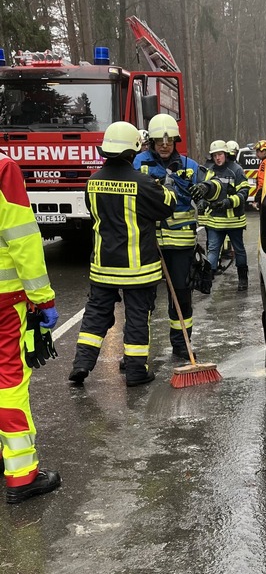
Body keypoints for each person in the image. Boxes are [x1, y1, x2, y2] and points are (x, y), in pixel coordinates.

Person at [68, 121, 177, 387]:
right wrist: (166, 186)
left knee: (95, 315)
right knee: (138, 316)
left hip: (103, 266)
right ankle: (136, 371)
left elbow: (97, 215)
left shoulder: (92, 182)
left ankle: (81, 364)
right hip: (138, 267)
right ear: (133, 150)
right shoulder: (142, 183)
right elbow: (167, 207)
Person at [0, 152, 61, 504]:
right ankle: (22, 475)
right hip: (4, 299)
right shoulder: (3, 168)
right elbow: (22, 239)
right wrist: (43, 297)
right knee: (9, 380)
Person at [134, 114, 219, 358]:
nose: (164, 145)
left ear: (175, 141)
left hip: (181, 246)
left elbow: (218, 183)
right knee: (143, 298)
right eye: (159, 140)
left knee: (181, 295)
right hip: (147, 244)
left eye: (169, 140)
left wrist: (207, 188)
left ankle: (182, 344)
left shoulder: (189, 166)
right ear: (151, 141)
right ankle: (136, 352)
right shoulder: (138, 164)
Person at [196, 139, 250, 292]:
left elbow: (244, 193)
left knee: (239, 250)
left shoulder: (237, 170)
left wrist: (228, 202)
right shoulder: (210, 172)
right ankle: (208, 280)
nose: (217, 158)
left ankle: (243, 279)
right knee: (213, 250)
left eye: (220, 154)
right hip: (215, 221)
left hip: (234, 221)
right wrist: (201, 202)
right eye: (214, 156)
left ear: (226, 154)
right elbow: (205, 192)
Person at [253, 139, 266, 209]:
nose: (257, 154)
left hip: (264, 194)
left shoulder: (264, 163)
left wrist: (257, 198)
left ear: (265, 151)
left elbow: (261, 181)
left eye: (258, 151)